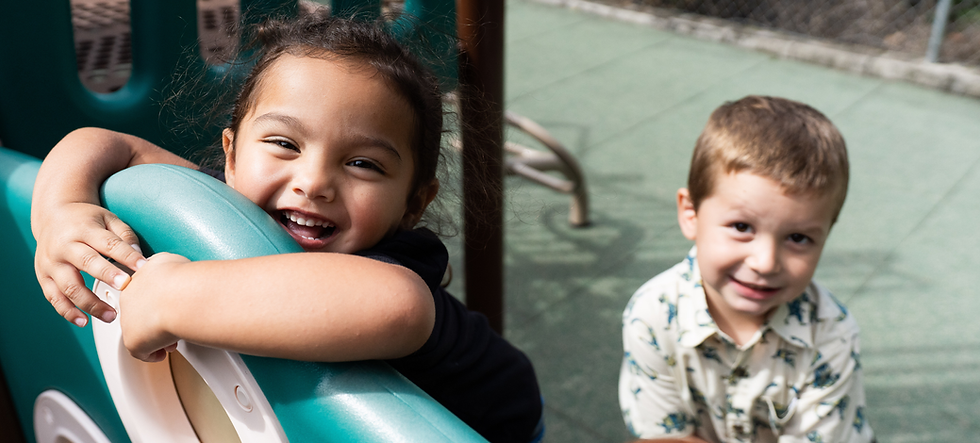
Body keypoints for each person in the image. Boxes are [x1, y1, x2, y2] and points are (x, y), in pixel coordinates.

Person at [31, 12, 543, 443]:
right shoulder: (233, 201)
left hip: (489, 423)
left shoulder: (393, 266)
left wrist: (170, 298)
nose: (314, 182)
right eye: (284, 144)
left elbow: (398, 307)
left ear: (413, 203)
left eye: (363, 164)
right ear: (231, 156)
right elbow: (109, 143)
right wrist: (60, 208)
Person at [618, 96, 875, 442]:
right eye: (741, 227)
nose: (766, 262)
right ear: (690, 214)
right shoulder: (652, 314)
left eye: (798, 237)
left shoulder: (832, 335)